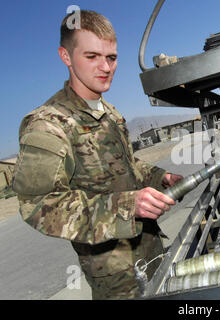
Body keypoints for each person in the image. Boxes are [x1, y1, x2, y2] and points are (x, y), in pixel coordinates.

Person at [12, 9, 182, 299]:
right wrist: (127, 206)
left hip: (152, 252)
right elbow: (39, 206)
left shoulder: (110, 113)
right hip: (117, 280)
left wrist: (159, 176)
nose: (105, 67)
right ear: (66, 56)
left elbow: (127, 165)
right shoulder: (48, 124)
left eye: (111, 57)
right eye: (91, 57)